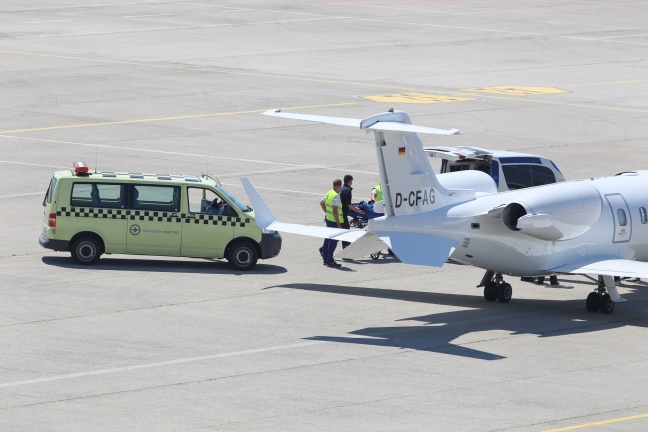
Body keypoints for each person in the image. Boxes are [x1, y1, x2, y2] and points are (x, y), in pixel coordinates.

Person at [319, 179, 343, 268]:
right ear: (339, 186)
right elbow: (335, 210)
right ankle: (330, 260)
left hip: (329, 219)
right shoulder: (336, 196)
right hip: (334, 221)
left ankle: (326, 259)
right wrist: (338, 223)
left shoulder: (329, 193)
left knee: (327, 239)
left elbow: (322, 203)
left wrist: (326, 213)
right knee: (333, 241)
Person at [339, 174, 364, 249]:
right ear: (350, 181)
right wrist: (359, 211)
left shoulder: (341, 189)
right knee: (346, 232)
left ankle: (324, 248)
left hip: (339, 213)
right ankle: (346, 250)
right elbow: (349, 205)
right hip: (342, 215)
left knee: (339, 232)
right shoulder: (348, 190)